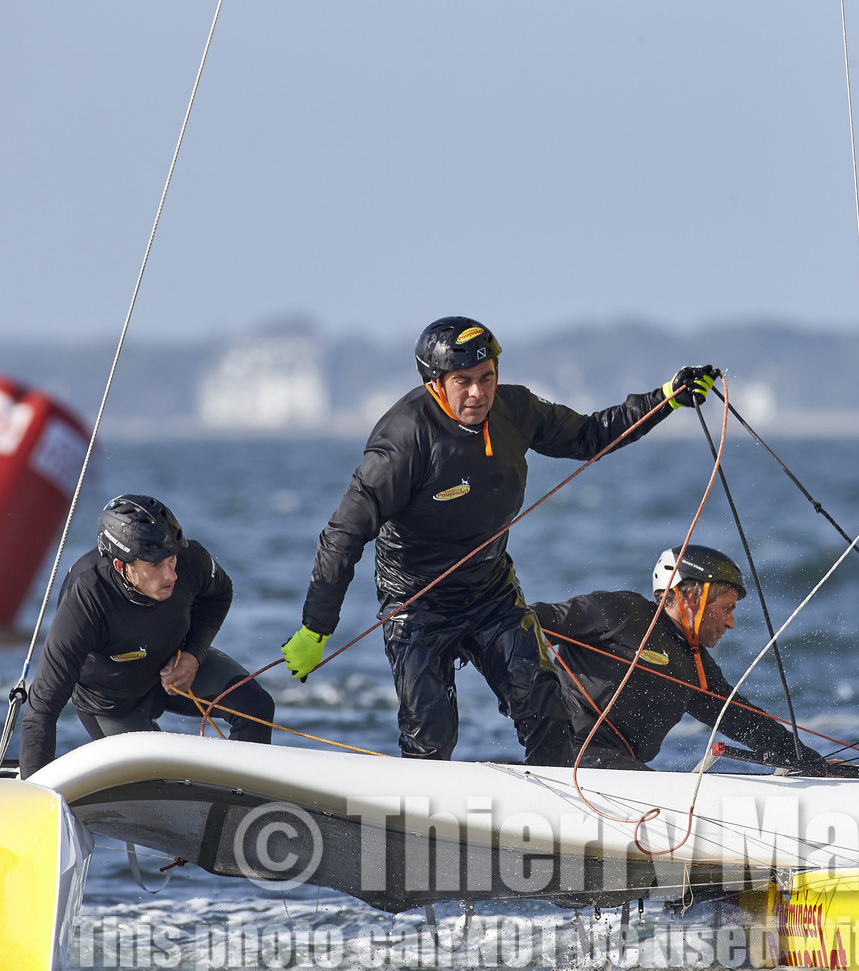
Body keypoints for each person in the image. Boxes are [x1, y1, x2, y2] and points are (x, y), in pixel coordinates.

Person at [281, 314, 719, 765]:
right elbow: (343, 535)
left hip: (491, 592)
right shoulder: (402, 442)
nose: (478, 393)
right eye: (463, 381)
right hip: (417, 603)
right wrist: (317, 627)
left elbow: (590, 435)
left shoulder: (516, 410)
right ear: (435, 383)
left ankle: (555, 815)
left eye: (487, 377)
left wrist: (665, 399)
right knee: (431, 736)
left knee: (546, 709)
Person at [20, 495, 275, 777]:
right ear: (122, 566)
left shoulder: (189, 561)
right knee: (156, 777)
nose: (171, 575)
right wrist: (35, 794)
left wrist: (193, 654)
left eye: (171, 559)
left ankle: (243, 806)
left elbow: (220, 593)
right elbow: (42, 709)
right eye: (154, 565)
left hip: (175, 670)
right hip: (112, 704)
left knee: (256, 708)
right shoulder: (86, 600)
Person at [530, 545, 808, 771]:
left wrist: (813, 764)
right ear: (690, 597)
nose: (731, 622)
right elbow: (526, 621)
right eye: (727, 608)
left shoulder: (696, 665)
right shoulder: (621, 612)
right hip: (568, 755)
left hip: (620, 769)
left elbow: (746, 722)